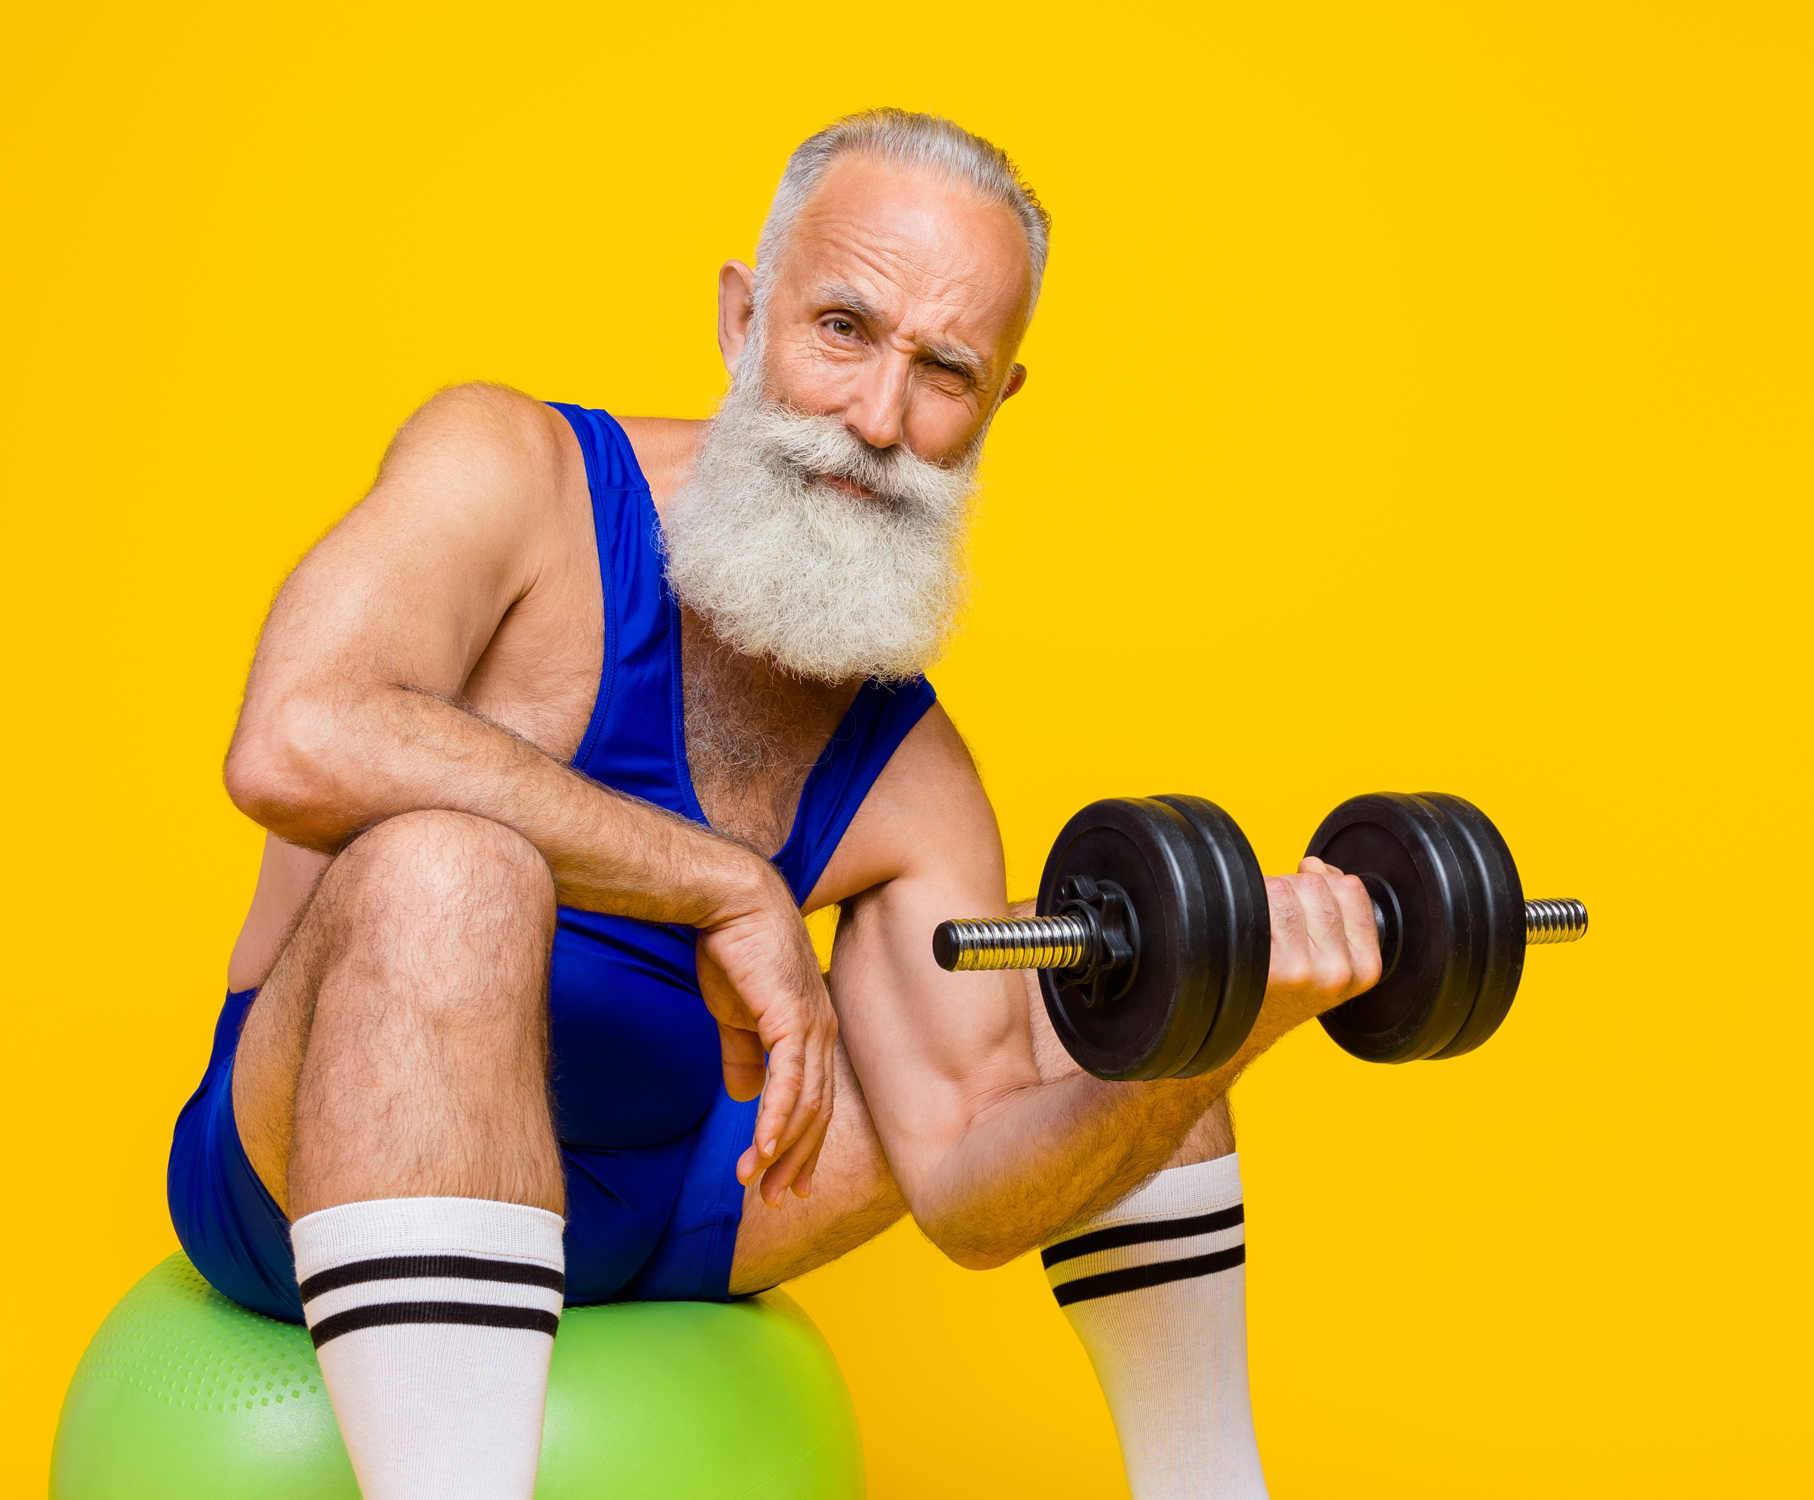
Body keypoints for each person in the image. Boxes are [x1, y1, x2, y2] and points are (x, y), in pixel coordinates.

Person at [167, 108, 1381, 1500]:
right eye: (844, 329)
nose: (877, 421)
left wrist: (1220, 1041)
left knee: (1147, 984)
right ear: (745, 319)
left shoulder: (911, 769)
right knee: (451, 867)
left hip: (666, 1200)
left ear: (997, 407)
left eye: (944, 372)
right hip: (308, 1160)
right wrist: (720, 882)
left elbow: (973, 1186)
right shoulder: (513, 473)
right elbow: (293, 737)